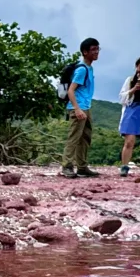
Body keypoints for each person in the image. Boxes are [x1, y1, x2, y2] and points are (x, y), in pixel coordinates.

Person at [59, 37, 100, 179]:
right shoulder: (82, 70)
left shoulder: (89, 68)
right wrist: (77, 109)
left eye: (97, 48)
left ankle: (82, 167)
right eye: (93, 49)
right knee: (74, 137)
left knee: (85, 138)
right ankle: (67, 166)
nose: (96, 52)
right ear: (85, 52)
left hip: (85, 107)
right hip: (78, 107)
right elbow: (71, 90)